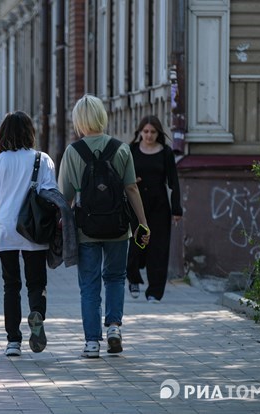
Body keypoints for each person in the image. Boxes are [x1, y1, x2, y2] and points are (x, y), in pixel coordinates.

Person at [58, 94, 149, 358]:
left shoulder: (73, 152)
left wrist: (59, 225)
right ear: (101, 116)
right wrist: (143, 223)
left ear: (79, 120)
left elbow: (65, 197)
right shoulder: (121, 149)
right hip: (119, 226)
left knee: (89, 284)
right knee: (116, 277)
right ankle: (113, 328)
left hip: (86, 228)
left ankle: (92, 343)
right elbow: (131, 188)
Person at [0, 111, 57, 357]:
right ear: (30, 133)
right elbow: (50, 196)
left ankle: (13, 340)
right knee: (37, 282)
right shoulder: (42, 160)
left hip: (5, 231)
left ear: (2, 134)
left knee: (10, 286)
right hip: (34, 230)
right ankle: (37, 314)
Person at [126, 115, 183, 303]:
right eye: (145, 131)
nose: (149, 135)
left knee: (158, 248)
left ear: (158, 133)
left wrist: (176, 209)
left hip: (159, 206)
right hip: (136, 204)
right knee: (136, 245)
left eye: (152, 132)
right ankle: (133, 279)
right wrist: (130, 181)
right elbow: (121, 174)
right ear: (140, 132)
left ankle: (154, 291)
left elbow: (173, 182)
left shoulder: (165, 152)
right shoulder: (132, 150)